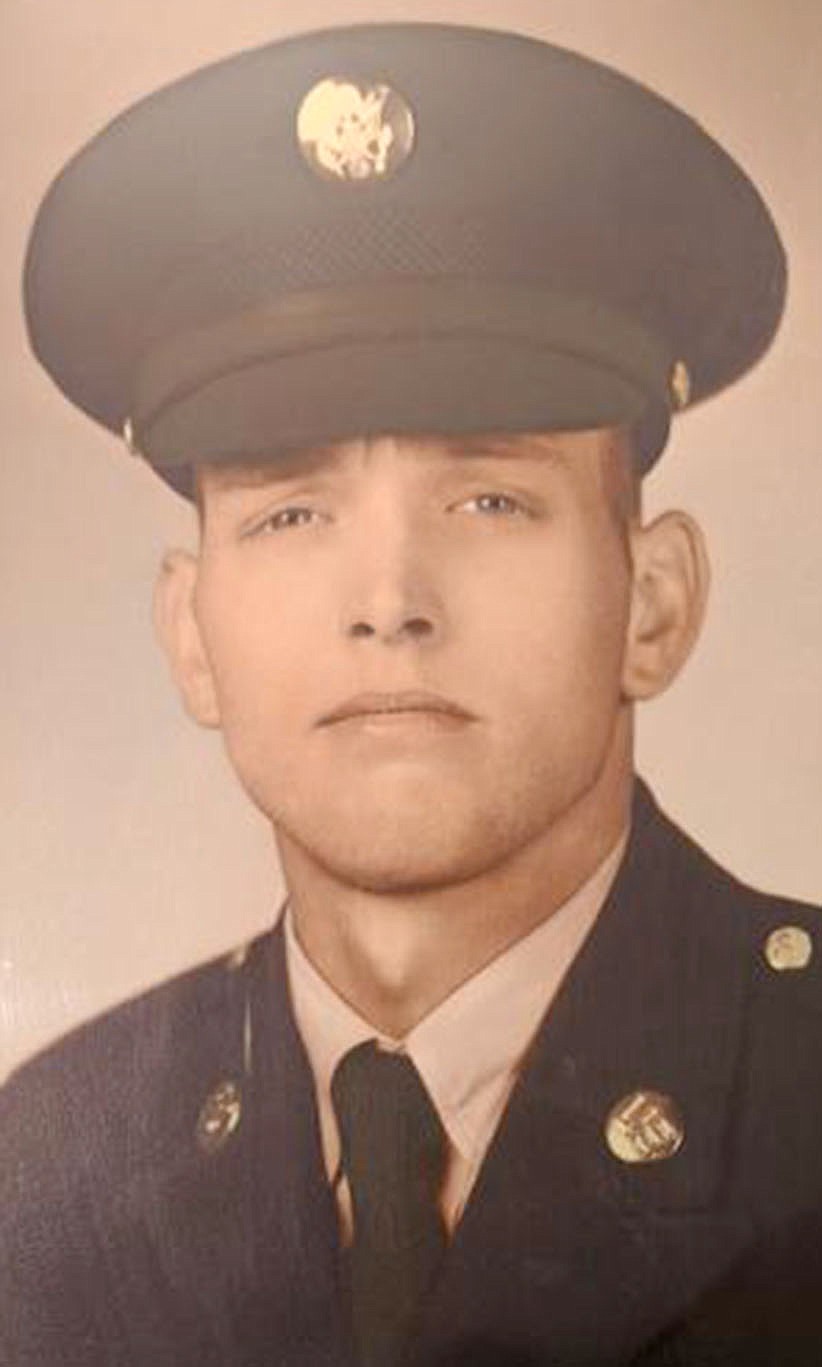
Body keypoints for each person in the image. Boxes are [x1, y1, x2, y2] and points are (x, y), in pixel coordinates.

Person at [3, 21, 821, 1367]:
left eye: (489, 498)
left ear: (654, 603)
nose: (388, 600)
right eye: (289, 512)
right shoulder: (48, 1167)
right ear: (192, 635)